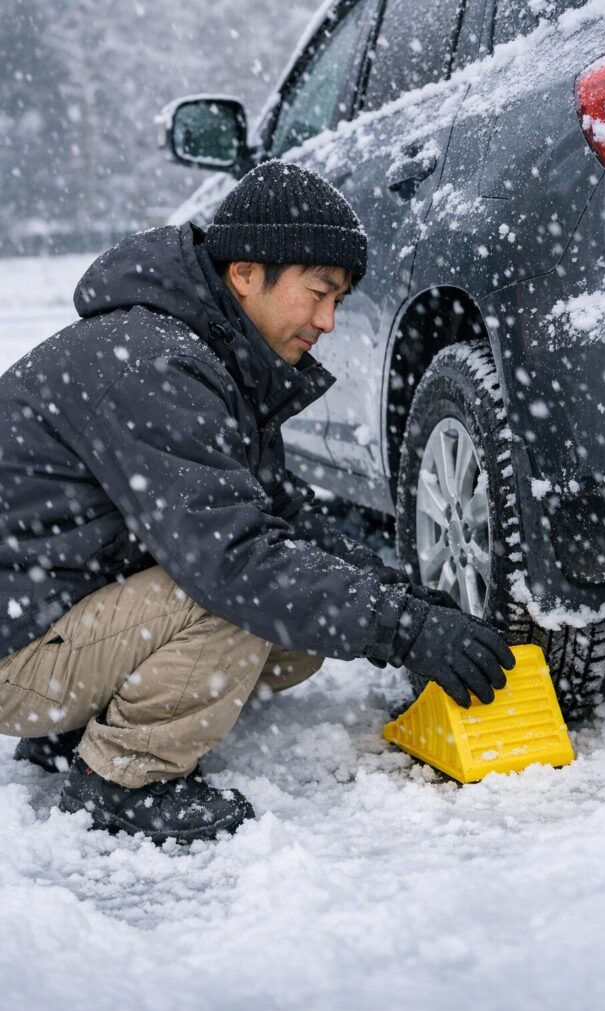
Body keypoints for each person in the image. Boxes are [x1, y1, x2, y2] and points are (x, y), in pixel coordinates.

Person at [0, 160, 514, 844]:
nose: (328, 321)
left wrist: (406, 600)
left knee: (293, 634)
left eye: (340, 300)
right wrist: (402, 631)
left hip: (46, 613)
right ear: (245, 273)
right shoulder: (150, 363)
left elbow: (281, 520)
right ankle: (127, 779)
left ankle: (75, 725)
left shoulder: (205, 357)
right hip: (16, 649)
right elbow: (238, 559)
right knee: (233, 599)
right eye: (319, 293)